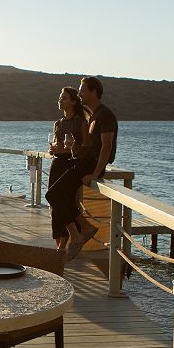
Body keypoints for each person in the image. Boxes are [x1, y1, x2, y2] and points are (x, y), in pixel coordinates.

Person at [44, 76, 118, 261]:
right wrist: (73, 148)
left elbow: (106, 147)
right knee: (59, 196)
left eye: (83, 90)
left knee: (53, 195)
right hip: (84, 163)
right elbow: (88, 148)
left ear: (94, 92)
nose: (80, 93)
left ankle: (81, 231)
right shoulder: (93, 116)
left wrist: (94, 173)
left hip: (91, 166)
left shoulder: (105, 115)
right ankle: (82, 229)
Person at [47, 87, 89, 250]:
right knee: (54, 202)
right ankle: (60, 242)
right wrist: (54, 150)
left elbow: (85, 149)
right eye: (60, 98)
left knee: (65, 201)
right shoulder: (58, 123)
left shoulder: (80, 122)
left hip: (70, 165)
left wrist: (65, 150)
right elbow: (57, 145)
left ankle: (67, 241)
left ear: (73, 101)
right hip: (56, 164)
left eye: (64, 98)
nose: (60, 100)